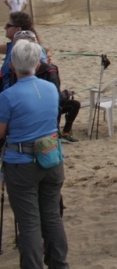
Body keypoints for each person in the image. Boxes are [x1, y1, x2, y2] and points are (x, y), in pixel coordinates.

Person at [0, 39, 70, 268]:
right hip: (51, 157)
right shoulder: (50, 88)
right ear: (38, 64)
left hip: (22, 163)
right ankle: (58, 263)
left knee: (29, 222)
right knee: (51, 216)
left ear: (12, 65)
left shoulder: (8, 96)